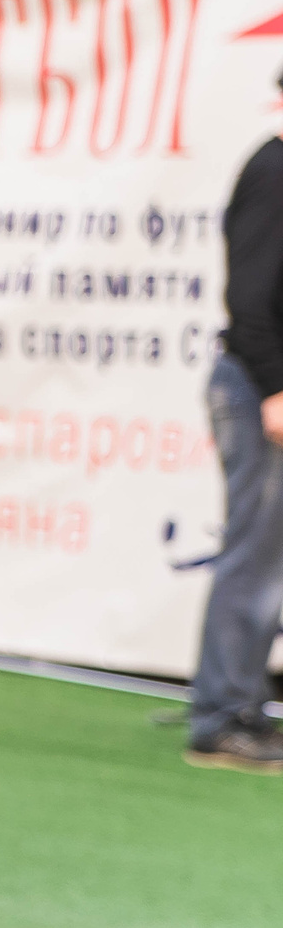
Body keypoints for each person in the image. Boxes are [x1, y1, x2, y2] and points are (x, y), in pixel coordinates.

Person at [190, 118, 283, 772]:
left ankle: (241, 706)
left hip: (262, 387)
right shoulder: (275, 173)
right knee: (255, 558)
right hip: (259, 390)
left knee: (268, 560)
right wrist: (277, 391)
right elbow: (249, 299)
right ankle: (222, 717)